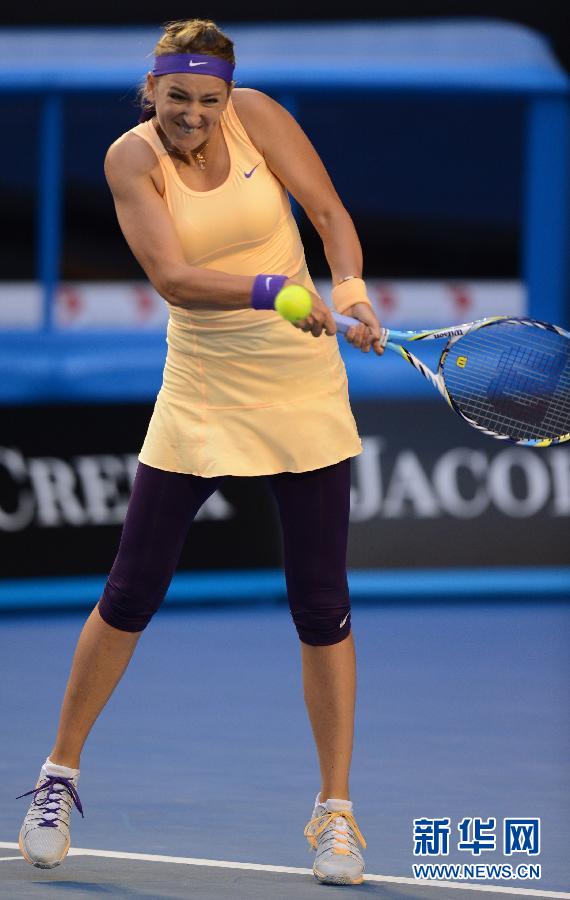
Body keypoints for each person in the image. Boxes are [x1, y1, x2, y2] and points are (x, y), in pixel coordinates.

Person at [17, 18, 383, 887]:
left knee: (321, 604)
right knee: (131, 589)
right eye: (176, 96)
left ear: (229, 95)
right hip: (204, 394)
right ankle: (57, 777)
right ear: (153, 88)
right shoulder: (129, 160)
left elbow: (328, 213)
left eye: (207, 100)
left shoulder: (257, 116)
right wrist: (276, 291)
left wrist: (350, 286)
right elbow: (174, 279)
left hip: (302, 390)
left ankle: (336, 810)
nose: (192, 114)